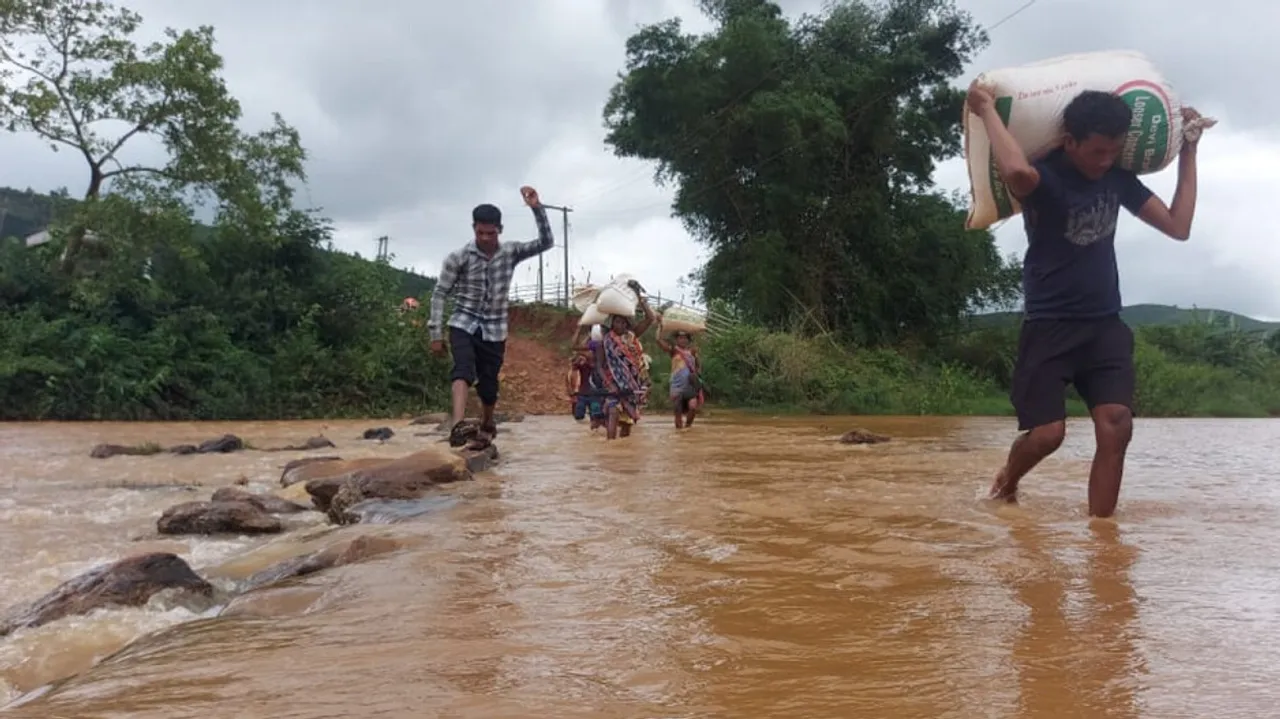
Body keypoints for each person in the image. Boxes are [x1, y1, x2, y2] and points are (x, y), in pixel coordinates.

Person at [967, 83, 1206, 518]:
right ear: (1069, 141)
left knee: (1117, 425)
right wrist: (985, 109)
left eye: (1112, 152)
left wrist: (1188, 151)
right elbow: (1017, 174)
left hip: (1104, 326)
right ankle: (1008, 479)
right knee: (1047, 435)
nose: (1105, 161)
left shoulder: (1117, 178)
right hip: (1050, 324)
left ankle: (1102, 538)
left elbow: (1178, 225)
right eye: (1096, 151)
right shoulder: (1048, 175)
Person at [428, 186, 554, 447]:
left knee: (488, 384)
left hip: (495, 328)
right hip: (463, 321)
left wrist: (537, 209)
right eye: (480, 233)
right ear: (473, 228)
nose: (485, 238)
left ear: (500, 230)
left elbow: (546, 242)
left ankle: (487, 422)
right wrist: (435, 334)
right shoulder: (458, 258)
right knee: (462, 370)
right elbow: (440, 293)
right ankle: (458, 426)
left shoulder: (511, 252)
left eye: (491, 233)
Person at [594, 284, 656, 440]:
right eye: (617, 322)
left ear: (627, 324)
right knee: (613, 411)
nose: (619, 325)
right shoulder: (605, 341)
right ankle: (610, 448)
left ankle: (621, 457)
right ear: (611, 323)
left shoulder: (632, 336)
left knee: (627, 424)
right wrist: (610, 384)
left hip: (634, 386)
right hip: (613, 384)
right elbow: (599, 366)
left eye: (623, 322)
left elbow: (651, 318)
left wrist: (640, 298)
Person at [656, 328, 703, 429]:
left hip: (690, 385)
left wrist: (697, 374)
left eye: (685, 338)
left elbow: (698, 366)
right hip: (677, 386)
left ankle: (687, 429)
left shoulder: (693, 352)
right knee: (678, 411)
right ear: (676, 340)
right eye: (680, 338)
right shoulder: (674, 351)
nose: (683, 340)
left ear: (688, 340)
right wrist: (660, 327)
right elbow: (659, 341)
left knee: (693, 408)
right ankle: (679, 432)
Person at [567, 327, 606, 429]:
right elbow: (574, 347)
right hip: (583, 394)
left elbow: (574, 347)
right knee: (579, 416)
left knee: (596, 419)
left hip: (596, 395)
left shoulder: (601, 362)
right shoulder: (583, 363)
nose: (590, 353)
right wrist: (579, 329)